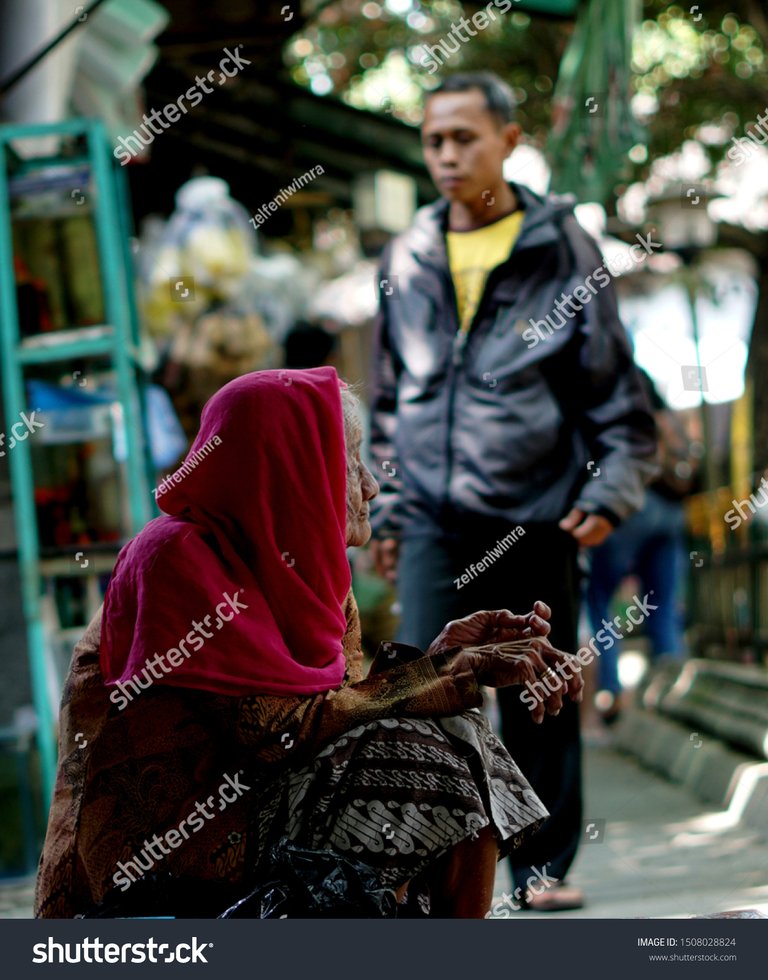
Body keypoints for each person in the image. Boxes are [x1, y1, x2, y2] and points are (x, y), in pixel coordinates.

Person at [34, 366, 582, 919]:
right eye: (349, 460)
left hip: (257, 821)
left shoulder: (310, 572)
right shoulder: (173, 559)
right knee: (421, 756)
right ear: (290, 466)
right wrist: (440, 675)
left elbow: (334, 719)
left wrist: (438, 663)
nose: (370, 484)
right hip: (154, 874)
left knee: (447, 730)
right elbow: (275, 729)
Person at [369, 72, 657, 910]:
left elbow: (613, 392)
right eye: (434, 141)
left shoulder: (564, 248)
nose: (448, 156)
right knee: (425, 693)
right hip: (427, 512)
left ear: (509, 140)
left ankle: (541, 871)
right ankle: (427, 879)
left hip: (536, 508)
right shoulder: (408, 254)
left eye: (465, 137)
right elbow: (388, 399)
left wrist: (610, 492)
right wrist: (383, 502)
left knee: (541, 693)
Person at [585, 371, 693, 723]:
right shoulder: (646, 383)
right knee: (662, 607)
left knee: (601, 600)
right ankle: (672, 695)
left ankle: (612, 694)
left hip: (626, 505)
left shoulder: (601, 382)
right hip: (668, 508)